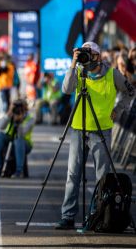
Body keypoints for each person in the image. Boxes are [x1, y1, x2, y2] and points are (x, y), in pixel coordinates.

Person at [55, 42, 135, 230]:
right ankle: (67, 216)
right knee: (73, 174)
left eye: (89, 54)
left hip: (101, 130)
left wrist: (118, 109)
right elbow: (66, 89)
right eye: (84, 53)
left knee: (102, 177)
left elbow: (130, 91)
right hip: (78, 129)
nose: (86, 57)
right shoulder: (79, 72)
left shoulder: (112, 74)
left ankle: (99, 215)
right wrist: (73, 64)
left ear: (98, 56)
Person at [0, 99, 35, 178]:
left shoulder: (30, 118)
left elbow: (21, 134)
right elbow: (0, 127)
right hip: (10, 139)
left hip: (24, 143)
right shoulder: (11, 115)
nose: (18, 110)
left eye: (21, 108)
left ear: (25, 108)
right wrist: (8, 114)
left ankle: (19, 171)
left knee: (18, 141)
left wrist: (20, 121)